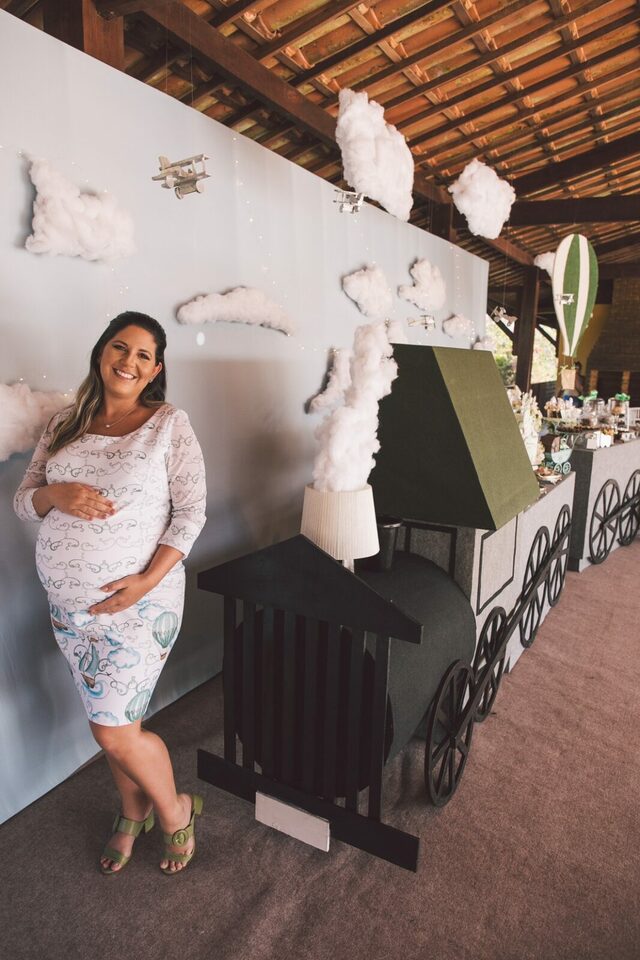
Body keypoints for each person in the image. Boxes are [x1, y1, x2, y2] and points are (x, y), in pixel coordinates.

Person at [14, 312, 207, 876]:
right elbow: (25, 501)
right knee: (114, 725)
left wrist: (145, 581)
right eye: (120, 347)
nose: (129, 361)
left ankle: (174, 810)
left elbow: (191, 515)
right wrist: (56, 494)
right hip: (70, 611)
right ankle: (132, 810)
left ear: (156, 370)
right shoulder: (64, 423)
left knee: (111, 729)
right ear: (102, 352)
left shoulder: (168, 424)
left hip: (139, 606)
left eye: (144, 355)